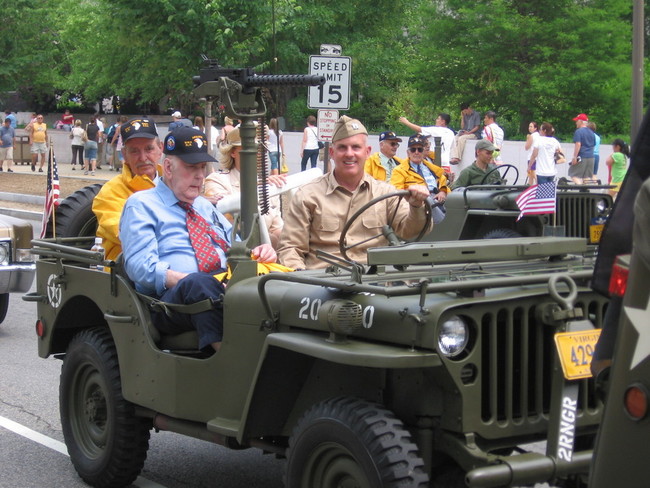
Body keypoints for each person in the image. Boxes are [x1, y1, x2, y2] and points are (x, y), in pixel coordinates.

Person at [120, 127, 277, 352]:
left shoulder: (204, 206)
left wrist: (258, 252)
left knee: (277, 281)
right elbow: (139, 268)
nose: (200, 175)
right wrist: (190, 279)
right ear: (168, 168)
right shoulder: (141, 205)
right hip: (167, 302)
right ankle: (234, 360)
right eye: (191, 167)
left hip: (222, 284)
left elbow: (236, 246)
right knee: (199, 283)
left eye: (202, 167)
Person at [278, 116, 430, 270]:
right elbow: (291, 248)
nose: (349, 154)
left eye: (356, 147)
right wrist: (300, 277)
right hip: (323, 282)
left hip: (373, 281)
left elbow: (410, 231)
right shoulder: (308, 195)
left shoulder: (385, 193)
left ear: (367, 152)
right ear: (332, 152)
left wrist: (416, 206)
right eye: (342, 147)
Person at [92, 117, 164, 261]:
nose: (143, 158)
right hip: (124, 274)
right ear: (124, 154)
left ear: (160, 149)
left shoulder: (174, 185)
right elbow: (128, 234)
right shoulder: (110, 191)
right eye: (134, 151)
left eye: (149, 149)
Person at [204, 128, 285, 249]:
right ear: (232, 152)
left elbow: (278, 231)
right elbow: (229, 225)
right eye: (248, 148)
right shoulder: (217, 180)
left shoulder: (269, 186)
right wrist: (254, 186)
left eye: (259, 149)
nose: (256, 154)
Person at [390, 134, 449, 206]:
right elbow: (397, 192)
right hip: (419, 203)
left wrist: (442, 192)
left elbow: (442, 181)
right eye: (413, 150)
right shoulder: (399, 170)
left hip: (438, 198)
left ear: (423, 152)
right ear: (408, 153)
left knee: (460, 193)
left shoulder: (431, 167)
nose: (416, 152)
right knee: (430, 201)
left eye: (420, 150)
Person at [570, 113, 596, 184]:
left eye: (577, 121)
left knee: (573, 174)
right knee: (586, 177)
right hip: (591, 157)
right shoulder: (591, 132)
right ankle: (585, 192)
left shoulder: (579, 131)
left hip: (582, 156)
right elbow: (593, 144)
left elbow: (578, 144)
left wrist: (575, 157)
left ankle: (580, 187)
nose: (576, 123)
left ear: (581, 121)